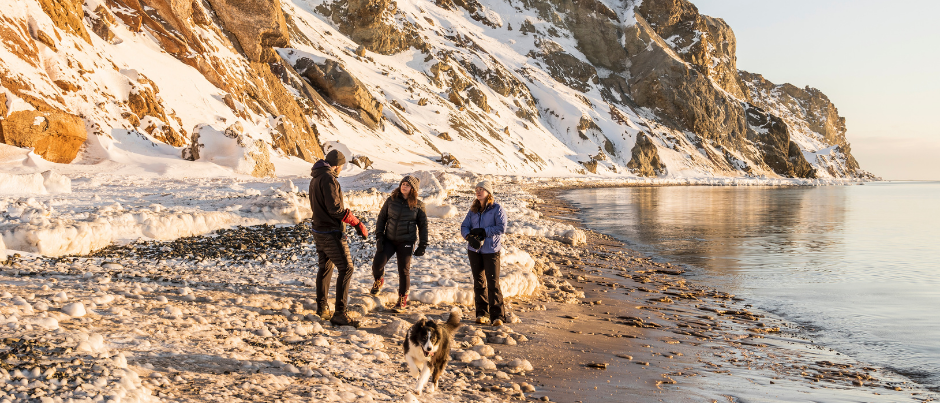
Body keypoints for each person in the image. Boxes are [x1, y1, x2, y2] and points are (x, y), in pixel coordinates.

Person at [309, 149, 368, 327]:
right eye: (341, 166)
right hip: (330, 232)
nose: (341, 170)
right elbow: (335, 209)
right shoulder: (328, 179)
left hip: (319, 230)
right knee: (347, 268)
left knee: (325, 267)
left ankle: (322, 307)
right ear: (336, 166)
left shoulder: (315, 178)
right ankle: (340, 313)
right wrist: (356, 223)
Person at [369, 175, 429, 311]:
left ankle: (402, 298)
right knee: (377, 264)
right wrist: (379, 237)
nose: (404, 186)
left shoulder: (419, 205)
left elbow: (423, 226)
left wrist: (422, 244)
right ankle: (379, 280)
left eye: (407, 185)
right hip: (389, 239)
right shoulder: (391, 200)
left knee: (404, 270)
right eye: (403, 184)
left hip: (406, 242)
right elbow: (381, 218)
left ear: (413, 188)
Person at [460, 180, 508, 326]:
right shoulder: (473, 210)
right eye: (477, 189)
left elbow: (502, 228)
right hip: (474, 250)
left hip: (491, 251)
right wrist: (468, 237)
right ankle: (482, 313)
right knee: (479, 283)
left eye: (482, 189)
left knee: (493, 283)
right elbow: (464, 226)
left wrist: (484, 232)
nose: (478, 191)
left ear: (488, 192)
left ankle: (498, 316)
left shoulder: (496, 208)